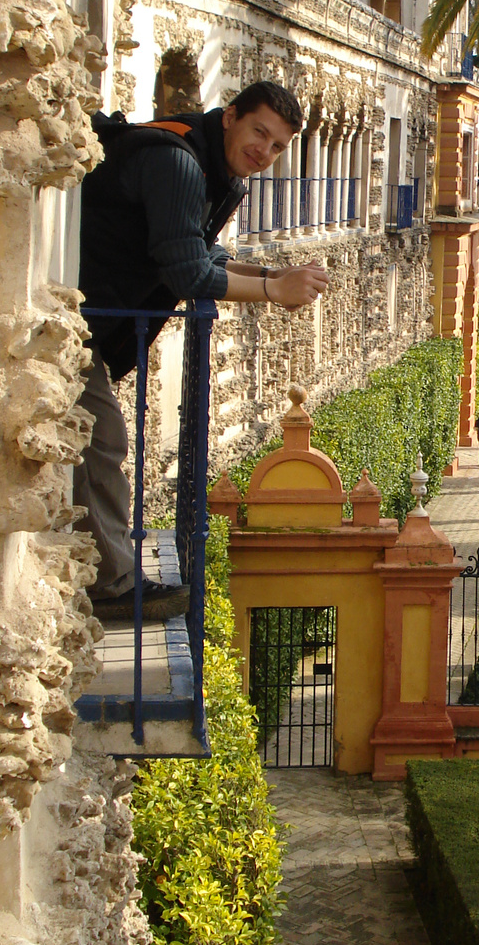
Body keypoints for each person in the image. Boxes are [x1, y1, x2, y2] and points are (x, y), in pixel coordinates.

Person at [76, 80, 330, 620]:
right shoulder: (179, 164)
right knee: (102, 441)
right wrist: (273, 290)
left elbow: (203, 251)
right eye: (258, 132)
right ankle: (111, 584)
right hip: (68, 314)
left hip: (90, 317)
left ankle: (102, 568)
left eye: (278, 145)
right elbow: (189, 272)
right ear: (230, 117)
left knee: (96, 441)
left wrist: (270, 272)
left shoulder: (211, 169)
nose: (264, 151)